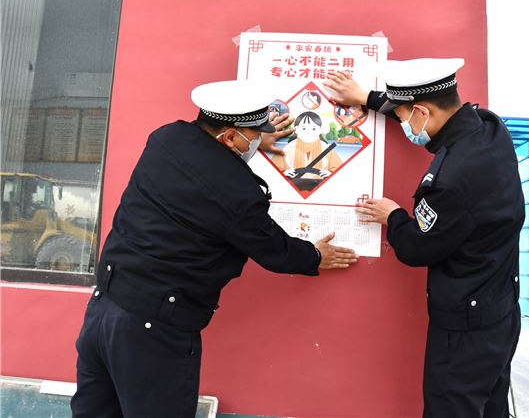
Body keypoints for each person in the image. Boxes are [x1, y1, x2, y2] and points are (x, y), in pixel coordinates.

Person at [70, 79, 359, 418]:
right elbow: (275, 251)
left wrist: (249, 143)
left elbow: (202, 166)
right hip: (153, 332)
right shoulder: (238, 193)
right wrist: (315, 255)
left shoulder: (166, 138)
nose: (259, 138)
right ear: (230, 137)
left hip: (103, 309)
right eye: (255, 133)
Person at [323, 59, 525, 418]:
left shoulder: (451, 181)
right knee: (490, 407)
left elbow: (418, 248)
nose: (404, 125)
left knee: (451, 408)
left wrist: (393, 216)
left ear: (421, 111)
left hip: (465, 327)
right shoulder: (489, 128)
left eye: (403, 117)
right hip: (501, 308)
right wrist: (366, 98)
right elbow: (418, 111)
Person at [272, 111, 342, 179]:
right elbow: (272, 171)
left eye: (313, 128)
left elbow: (341, 172)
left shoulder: (327, 150)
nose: (308, 132)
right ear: (296, 129)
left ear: (320, 130)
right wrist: (283, 174)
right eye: (304, 128)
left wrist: (330, 174)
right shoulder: (287, 149)